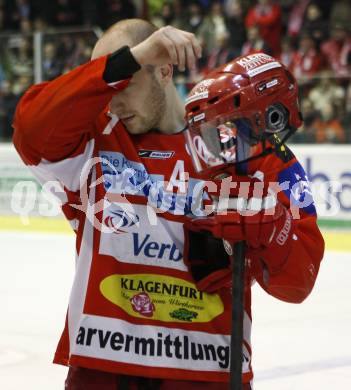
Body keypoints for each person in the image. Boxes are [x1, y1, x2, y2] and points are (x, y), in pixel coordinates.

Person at [12, 19, 324, 390]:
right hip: (104, 369)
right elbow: (29, 127)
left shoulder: (242, 143)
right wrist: (130, 60)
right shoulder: (91, 142)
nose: (111, 104)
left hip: (208, 372)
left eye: (125, 83)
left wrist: (273, 230)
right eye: (105, 85)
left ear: (164, 69)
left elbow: (299, 282)